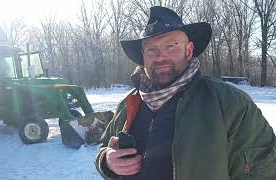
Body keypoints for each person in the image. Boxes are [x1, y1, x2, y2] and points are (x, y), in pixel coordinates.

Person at [95, 6, 276, 180]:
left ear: (188, 50)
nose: (160, 57)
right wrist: (107, 162)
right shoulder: (129, 103)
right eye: (151, 49)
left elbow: (264, 171)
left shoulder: (229, 103)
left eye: (170, 46)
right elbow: (105, 147)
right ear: (143, 56)